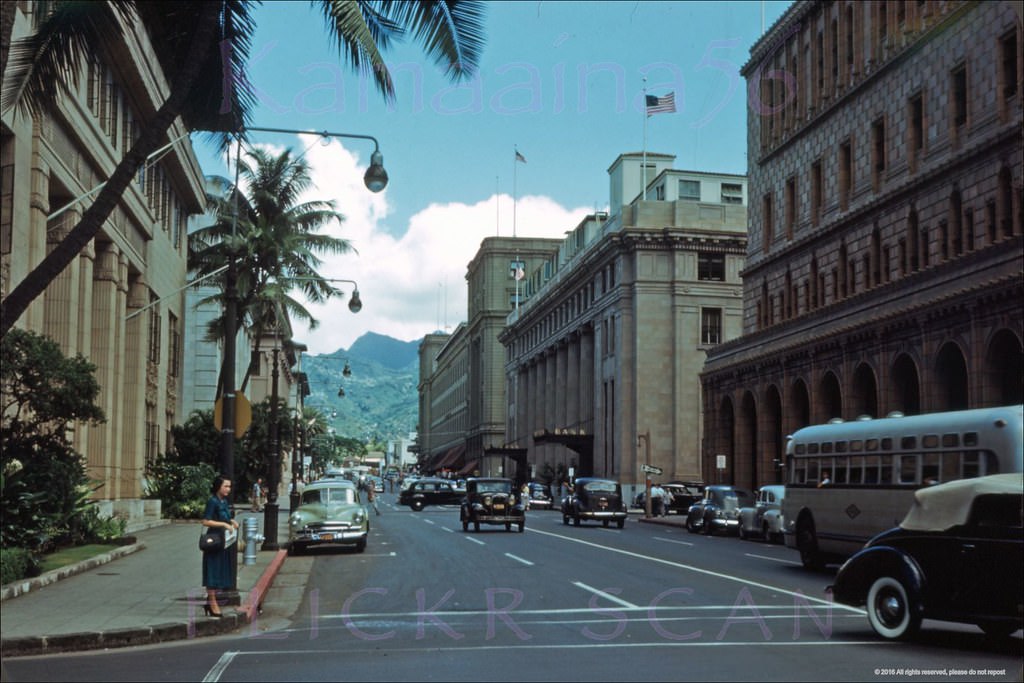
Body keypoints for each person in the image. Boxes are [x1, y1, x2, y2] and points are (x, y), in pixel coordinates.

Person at [202, 475, 239, 618]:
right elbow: (206, 521)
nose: (228, 489)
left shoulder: (224, 501)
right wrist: (223, 524)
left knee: (220, 570)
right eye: (226, 486)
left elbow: (225, 517)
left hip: (224, 540)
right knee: (213, 571)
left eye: (229, 486)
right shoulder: (212, 501)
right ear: (218, 487)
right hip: (214, 540)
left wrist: (231, 521)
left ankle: (212, 600)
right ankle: (212, 602)